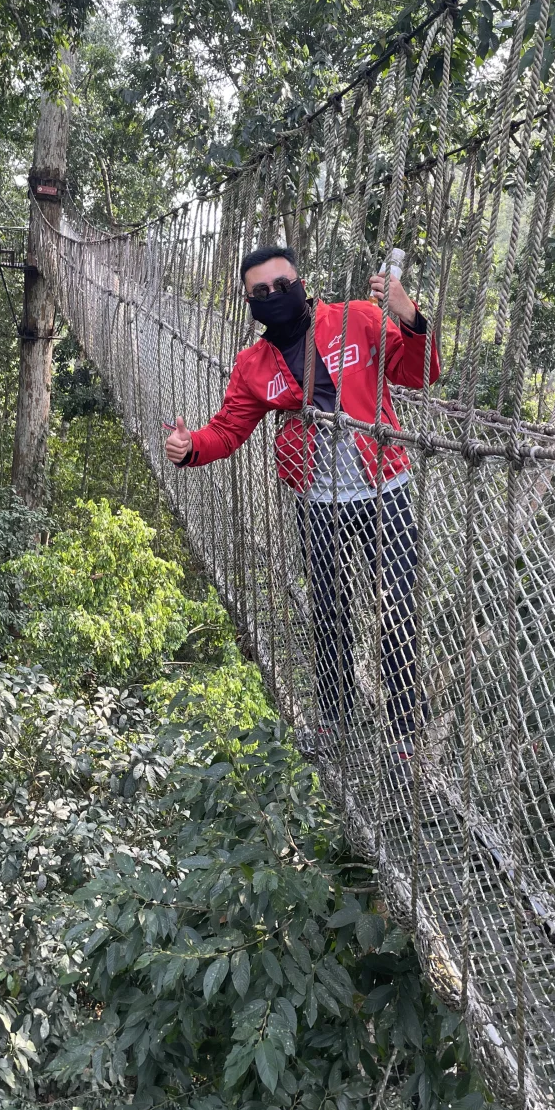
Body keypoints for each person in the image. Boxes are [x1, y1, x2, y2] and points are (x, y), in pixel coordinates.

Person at [164, 245, 440, 761]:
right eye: (260, 292)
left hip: (385, 489)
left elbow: (419, 375)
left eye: (282, 285)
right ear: (249, 303)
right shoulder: (253, 365)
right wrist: (189, 447)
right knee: (330, 612)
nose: (274, 296)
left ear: (302, 282)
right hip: (317, 501)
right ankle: (337, 717)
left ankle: (404, 725)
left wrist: (408, 314)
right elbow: (227, 430)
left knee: (397, 609)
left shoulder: (357, 318)